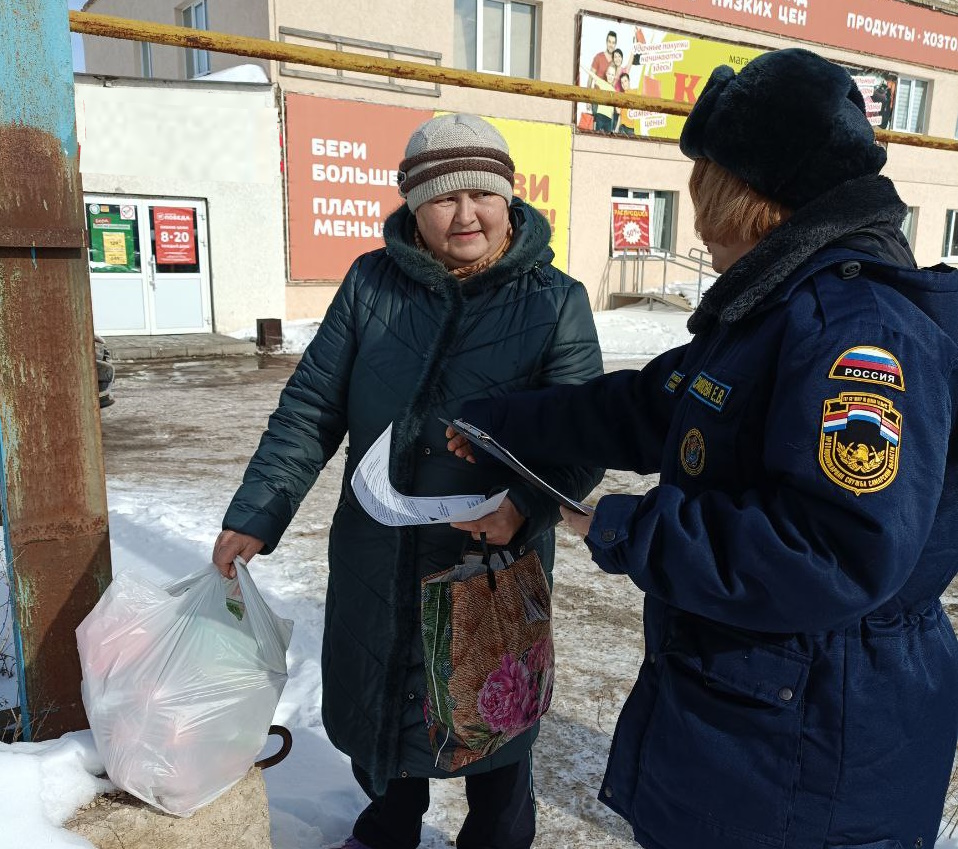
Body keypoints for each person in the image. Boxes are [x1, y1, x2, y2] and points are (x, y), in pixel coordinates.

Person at [448, 48, 958, 849]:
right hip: (756, 720)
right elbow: (649, 406)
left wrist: (619, 525)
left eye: (705, 193)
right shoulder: (774, 310)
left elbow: (835, 549)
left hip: (818, 744)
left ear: (754, 199)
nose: (697, 225)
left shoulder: (855, 334)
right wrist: (504, 421)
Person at [212, 113, 604, 849]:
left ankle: (496, 838)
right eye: (442, 198)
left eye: (482, 195)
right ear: (412, 204)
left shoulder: (555, 301)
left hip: (492, 559)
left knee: (495, 727)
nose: (465, 215)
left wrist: (523, 506)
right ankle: (388, 825)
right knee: (381, 699)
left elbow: (581, 434)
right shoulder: (371, 285)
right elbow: (312, 405)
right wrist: (259, 509)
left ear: (508, 199)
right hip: (378, 552)